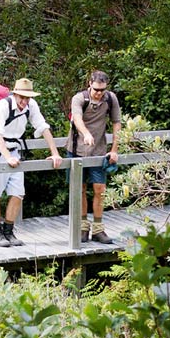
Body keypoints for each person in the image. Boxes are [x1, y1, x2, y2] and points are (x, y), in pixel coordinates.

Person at [0, 78, 63, 247]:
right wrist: (7, 157)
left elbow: (43, 127)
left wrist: (55, 153)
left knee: (18, 192)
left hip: (15, 150)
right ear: (15, 94)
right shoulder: (3, 106)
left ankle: (9, 230)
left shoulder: (31, 105)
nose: (24, 101)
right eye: (21, 97)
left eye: (27, 97)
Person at [67, 70, 121, 244]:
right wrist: (86, 134)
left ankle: (98, 229)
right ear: (90, 83)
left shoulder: (110, 99)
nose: (99, 93)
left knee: (100, 189)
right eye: (96, 89)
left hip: (99, 150)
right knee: (80, 189)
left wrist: (114, 149)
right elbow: (77, 119)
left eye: (102, 90)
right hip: (77, 149)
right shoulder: (79, 99)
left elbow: (116, 123)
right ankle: (83, 227)